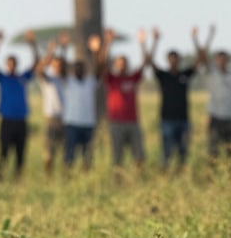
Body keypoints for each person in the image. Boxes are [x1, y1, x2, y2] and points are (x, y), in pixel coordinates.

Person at [0, 30, 39, 179]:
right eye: (9, 64)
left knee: (20, 154)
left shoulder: (23, 77)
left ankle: (18, 180)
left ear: (16, 64)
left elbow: (36, 62)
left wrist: (32, 43)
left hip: (21, 121)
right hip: (7, 121)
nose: (11, 66)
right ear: (6, 65)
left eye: (13, 63)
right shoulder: (2, 77)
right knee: (3, 153)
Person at [149, 27, 203, 170]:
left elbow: (199, 60)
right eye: (171, 59)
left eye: (175, 59)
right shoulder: (163, 76)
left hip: (183, 119)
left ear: (179, 60)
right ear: (167, 60)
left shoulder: (185, 74)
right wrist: (155, 41)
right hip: (167, 120)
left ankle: (181, 174)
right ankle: (164, 175)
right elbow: (150, 62)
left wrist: (195, 38)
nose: (173, 61)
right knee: (166, 152)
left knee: (183, 153)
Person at [99, 28, 151, 172]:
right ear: (115, 65)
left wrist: (142, 43)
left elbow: (145, 63)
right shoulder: (111, 79)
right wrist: (107, 43)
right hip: (116, 123)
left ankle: (137, 179)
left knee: (139, 156)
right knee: (117, 157)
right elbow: (102, 64)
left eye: (124, 63)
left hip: (133, 122)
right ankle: (118, 179)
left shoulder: (132, 78)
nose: (121, 65)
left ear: (127, 64)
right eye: (119, 63)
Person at [59, 35, 104, 170]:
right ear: (73, 70)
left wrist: (96, 52)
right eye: (76, 68)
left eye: (81, 68)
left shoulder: (91, 82)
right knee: (69, 156)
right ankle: (68, 177)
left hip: (88, 124)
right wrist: (64, 48)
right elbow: (61, 68)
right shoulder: (68, 82)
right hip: (72, 123)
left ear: (85, 70)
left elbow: (99, 69)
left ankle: (85, 178)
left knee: (87, 156)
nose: (79, 70)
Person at [37, 33, 68, 174]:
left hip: (65, 119)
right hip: (51, 119)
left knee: (65, 153)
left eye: (60, 65)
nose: (58, 67)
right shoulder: (48, 80)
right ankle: (48, 177)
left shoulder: (67, 80)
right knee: (49, 152)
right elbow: (40, 70)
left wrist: (64, 48)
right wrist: (50, 52)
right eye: (55, 65)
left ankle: (64, 177)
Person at [203, 25, 231, 161]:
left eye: (224, 59)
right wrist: (210, 36)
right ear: (215, 61)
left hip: (229, 118)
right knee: (213, 151)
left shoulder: (230, 77)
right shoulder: (212, 74)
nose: (221, 62)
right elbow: (203, 56)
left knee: (229, 151)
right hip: (215, 118)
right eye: (219, 59)